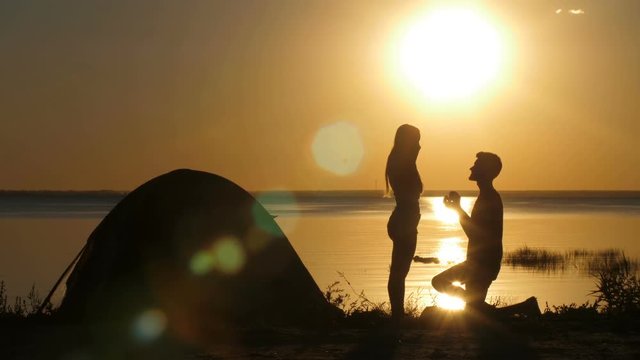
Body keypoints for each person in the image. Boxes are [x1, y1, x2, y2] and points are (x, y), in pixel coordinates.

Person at [432, 152, 503, 310]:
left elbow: (475, 234)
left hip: (481, 264)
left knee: (439, 282)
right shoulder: (487, 196)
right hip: (482, 263)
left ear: (486, 171)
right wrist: (457, 208)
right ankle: (525, 307)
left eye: (476, 165)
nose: (471, 167)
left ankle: (522, 307)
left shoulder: (489, 198)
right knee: (475, 311)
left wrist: (457, 208)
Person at [385, 124, 423, 321]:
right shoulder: (402, 164)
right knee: (399, 271)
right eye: (416, 140)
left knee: (401, 270)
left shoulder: (404, 162)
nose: (420, 146)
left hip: (405, 221)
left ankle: (398, 313)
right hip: (404, 223)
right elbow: (408, 195)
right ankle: (397, 314)